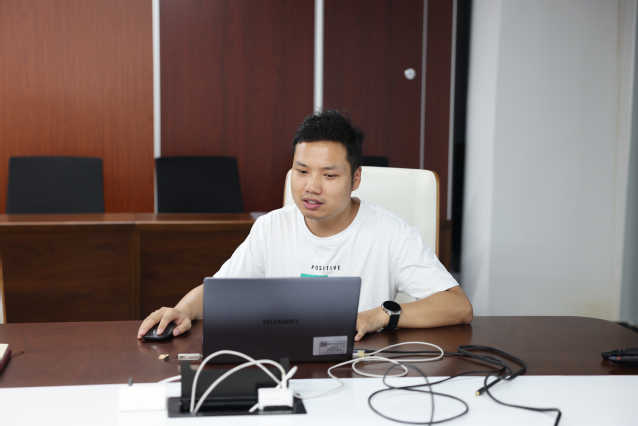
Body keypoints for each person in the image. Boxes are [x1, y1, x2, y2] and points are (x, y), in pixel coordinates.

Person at [137, 110, 473, 341]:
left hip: (360, 367)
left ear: (356, 178)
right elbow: (219, 292)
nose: (311, 187)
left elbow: (457, 306)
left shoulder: (391, 232)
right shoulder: (271, 228)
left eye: (329, 175)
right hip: (285, 366)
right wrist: (182, 309)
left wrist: (382, 315)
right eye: (301, 172)